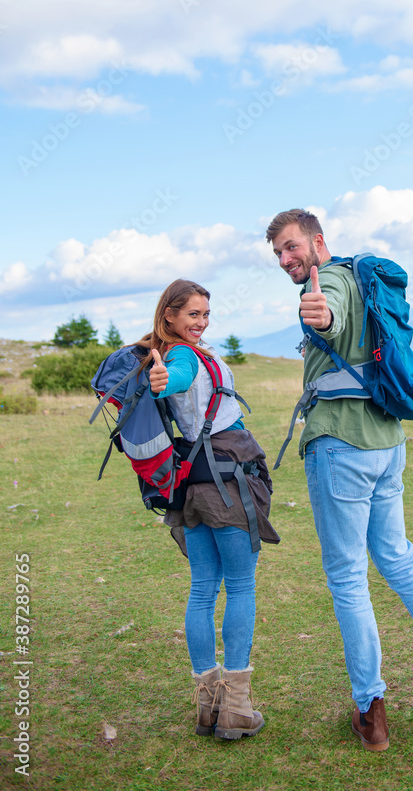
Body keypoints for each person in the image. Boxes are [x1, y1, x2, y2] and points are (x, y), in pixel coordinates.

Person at [266, 209, 413, 751]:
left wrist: (318, 317)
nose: (286, 259)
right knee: (399, 559)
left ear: (318, 241)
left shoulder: (335, 284)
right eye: (277, 253)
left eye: (293, 247)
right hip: (387, 444)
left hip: (341, 447)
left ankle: (371, 712)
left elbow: (330, 316)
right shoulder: (365, 279)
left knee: (348, 577)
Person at [139, 278, 279, 740]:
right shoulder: (179, 357)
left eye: (205, 315)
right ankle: (236, 708)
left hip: (191, 485)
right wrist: (162, 381)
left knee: (202, 590)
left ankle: (209, 704)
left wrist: (164, 380)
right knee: (240, 586)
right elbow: (174, 377)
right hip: (226, 481)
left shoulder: (184, 352)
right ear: (169, 318)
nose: (200, 322)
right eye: (192, 314)